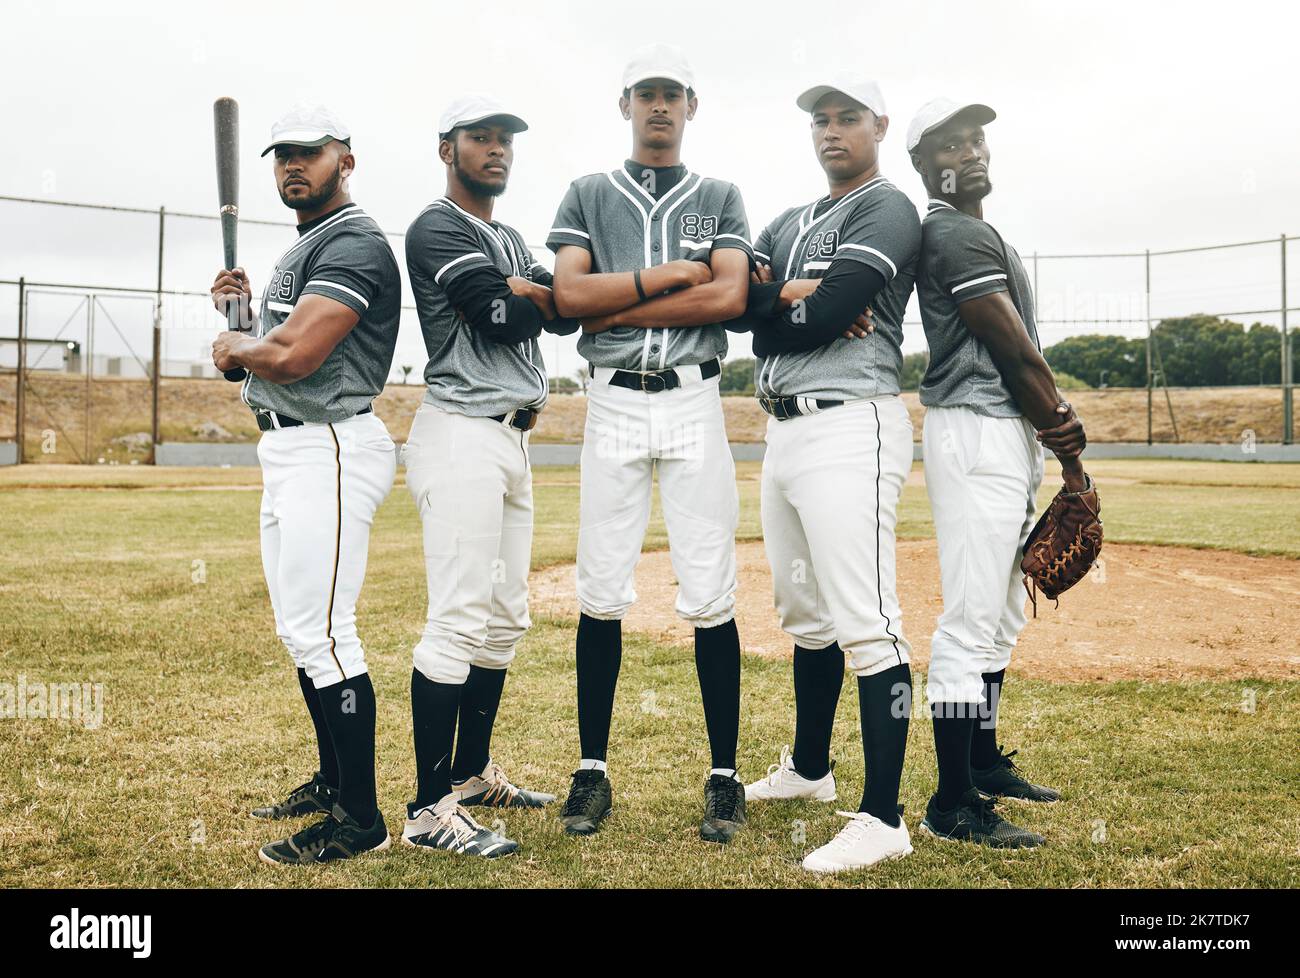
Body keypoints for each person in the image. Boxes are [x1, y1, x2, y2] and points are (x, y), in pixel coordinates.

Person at [546, 43, 754, 843]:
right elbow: (568, 295)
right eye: (645, 94)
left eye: (673, 94)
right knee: (600, 588)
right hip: (614, 404)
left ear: (691, 106)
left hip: (695, 399)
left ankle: (725, 778)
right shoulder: (589, 191)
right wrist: (679, 279)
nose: (659, 106)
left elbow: (732, 296)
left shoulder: (722, 193)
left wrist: (613, 307)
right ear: (625, 103)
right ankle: (592, 771)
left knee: (711, 591)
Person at [727, 76, 920, 872]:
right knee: (804, 612)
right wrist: (788, 298)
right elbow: (735, 312)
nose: (832, 130)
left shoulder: (888, 207)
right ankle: (811, 770)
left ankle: (884, 817)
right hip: (786, 431)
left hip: (853, 421)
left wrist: (782, 305)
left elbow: (825, 306)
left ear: (879, 124)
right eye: (820, 119)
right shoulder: (787, 218)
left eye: (848, 118)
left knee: (868, 619)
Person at [210, 104, 401, 864]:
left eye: (309, 153)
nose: (294, 165)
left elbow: (292, 358)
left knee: (325, 635)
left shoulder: (355, 241)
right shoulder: (307, 246)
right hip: (291, 448)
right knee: (301, 631)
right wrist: (240, 315)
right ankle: (332, 780)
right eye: (282, 155)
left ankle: (362, 818)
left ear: (344, 160)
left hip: (331, 444)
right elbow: (254, 358)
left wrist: (241, 339)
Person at [399, 95, 578, 858]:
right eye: (481, 137)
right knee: (460, 616)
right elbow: (497, 316)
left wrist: (532, 291)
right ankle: (426, 808)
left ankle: (470, 776)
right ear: (449, 149)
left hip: (511, 439)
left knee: (505, 618)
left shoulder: (505, 234)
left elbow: (562, 312)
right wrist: (529, 294)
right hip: (461, 435)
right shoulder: (436, 226)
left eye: (505, 138)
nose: (497, 149)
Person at [907, 98, 1088, 848]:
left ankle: (981, 763)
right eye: (951, 143)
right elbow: (1012, 351)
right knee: (971, 618)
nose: (970, 150)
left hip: (1001, 432)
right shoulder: (952, 234)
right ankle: (951, 804)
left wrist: (1041, 439)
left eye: (976, 137)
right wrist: (1070, 453)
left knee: (1003, 614)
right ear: (926, 166)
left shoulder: (977, 230)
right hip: (977, 429)